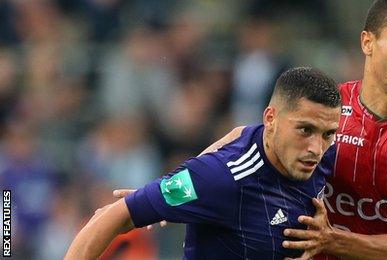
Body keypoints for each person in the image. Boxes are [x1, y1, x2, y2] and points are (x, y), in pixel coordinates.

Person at [192, 1, 387, 259]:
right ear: (368, 42)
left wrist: (333, 241)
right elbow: (254, 143)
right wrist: (178, 192)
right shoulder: (330, 108)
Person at [64, 67, 342, 259]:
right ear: (270, 119)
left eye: (328, 134)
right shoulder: (218, 179)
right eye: (304, 130)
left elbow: (241, 133)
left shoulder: (325, 155)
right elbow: (114, 215)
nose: (316, 149)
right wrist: (166, 189)